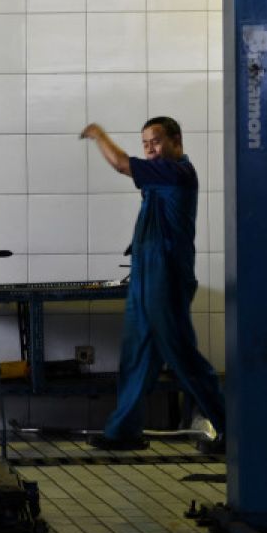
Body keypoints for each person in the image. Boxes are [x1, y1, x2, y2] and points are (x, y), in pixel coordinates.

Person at [80, 117, 226, 451]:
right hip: (146, 278)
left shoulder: (176, 173)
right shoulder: (160, 177)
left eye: (156, 142)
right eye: (145, 143)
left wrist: (98, 133)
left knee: (183, 356)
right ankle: (124, 430)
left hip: (167, 279)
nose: (150, 149)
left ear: (177, 140)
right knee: (136, 355)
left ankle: (230, 428)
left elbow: (119, 164)